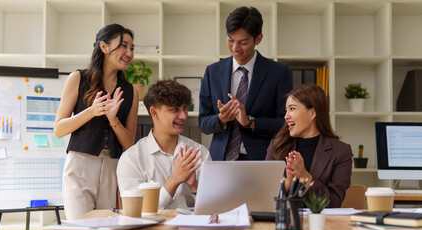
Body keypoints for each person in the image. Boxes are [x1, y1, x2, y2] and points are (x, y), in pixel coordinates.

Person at [54, 24, 139, 219]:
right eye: (124, 46)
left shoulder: (131, 91)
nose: (129, 53)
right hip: (80, 164)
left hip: (112, 166)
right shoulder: (78, 78)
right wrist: (92, 111)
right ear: (104, 47)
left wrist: (113, 119)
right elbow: (58, 129)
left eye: (132, 48)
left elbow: (129, 143)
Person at [199, 6, 292, 161]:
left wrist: (250, 122)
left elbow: (286, 122)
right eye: (230, 40)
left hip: (261, 159)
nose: (235, 48)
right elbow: (203, 122)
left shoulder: (278, 73)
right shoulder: (212, 72)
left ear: (258, 38)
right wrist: (221, 119)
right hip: (221, 160)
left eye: (243, 42)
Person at [117, 80, 211, 210]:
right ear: (154, 113)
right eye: (175, 110)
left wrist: (194, 186)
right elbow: (138, 210)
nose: (183, 116)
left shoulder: (200, 152)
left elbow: (213, 209)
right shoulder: (132, 159)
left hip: (191, 229)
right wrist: (175, 179)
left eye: (184, 108)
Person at [266, 84, 353, 208]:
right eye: (286, 110)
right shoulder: (276, 145)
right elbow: (264, 197)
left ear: (312, 113)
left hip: (320, 224)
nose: (286, 116)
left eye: (292, 109)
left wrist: (305, 177)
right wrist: (287, 184)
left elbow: (333, 203)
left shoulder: (341, 152)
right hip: (281, 223)